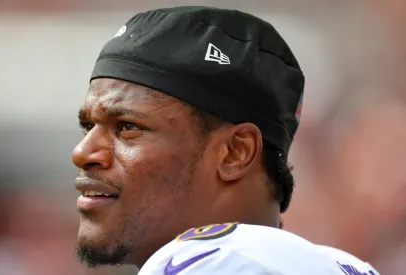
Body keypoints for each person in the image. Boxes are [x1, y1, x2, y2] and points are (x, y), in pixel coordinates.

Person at [71, 6, 380, 274]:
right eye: (88, 126)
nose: (82, 152)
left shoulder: (213, 263)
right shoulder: (345, 265)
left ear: (235, 152)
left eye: (127, 127)